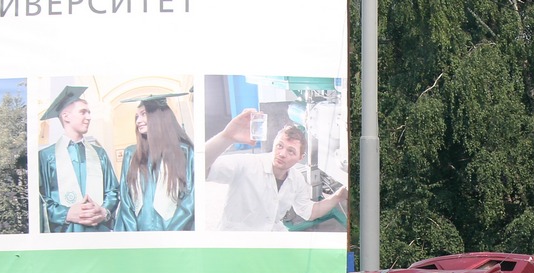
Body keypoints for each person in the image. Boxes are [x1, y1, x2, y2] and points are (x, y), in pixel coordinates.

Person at [205, 110, 347, 231]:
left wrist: (338, 196)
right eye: (279, 146)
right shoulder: (247, 164)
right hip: (236, 242)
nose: (283, 153)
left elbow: (310, 212)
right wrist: (226, 137)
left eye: (291, 151)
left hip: (272, 239)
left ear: (300, 157)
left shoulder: (296, 179)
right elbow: (202, 169)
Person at [37, 86, 119, 233]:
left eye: (89, 112)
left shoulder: (99, 153)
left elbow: (113, 190)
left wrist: (103, 211)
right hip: (65, 233)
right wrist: (66, 213)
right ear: (66, 116)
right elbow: (41, 199)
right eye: (83, 112)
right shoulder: (46, 156)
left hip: (98, 232)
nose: (88, 117)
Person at [114, 93, 195, 232]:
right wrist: (133, 235)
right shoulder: (131, 154)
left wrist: (171, 234)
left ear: (158, 116)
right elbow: (126, 199)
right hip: (139, 233)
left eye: (143, 114)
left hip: (174, 234)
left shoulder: (184, 153)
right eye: (136, 117)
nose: (138, 121)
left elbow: (191, 198)